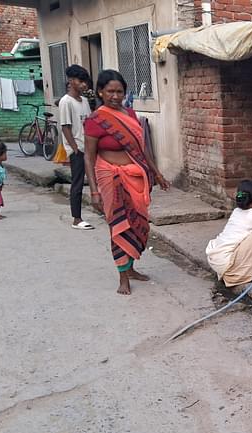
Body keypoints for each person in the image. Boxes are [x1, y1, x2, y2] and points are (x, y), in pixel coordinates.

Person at [84, 69, 170, 295]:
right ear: (100, 92)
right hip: (110, 177)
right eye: (110, 91)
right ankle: (123, 277)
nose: (115, 96)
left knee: (138, 223)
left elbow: (142, 149)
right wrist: (94, 191)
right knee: (119, 225)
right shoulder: (95, 120)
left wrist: (157, 173)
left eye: (119, 91)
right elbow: (89, 156)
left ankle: (130, 267)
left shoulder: (131, 115)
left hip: (135, 176)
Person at [59, 64, 93, 230]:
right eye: (81, 81)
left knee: (96, 179)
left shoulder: (85, 101)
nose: (84, 84)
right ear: (72, 81)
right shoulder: (66, 102)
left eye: (85, 81)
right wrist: (75, 147)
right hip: (77, 149)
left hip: (89, 147)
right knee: (78, 183)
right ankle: (76, 218)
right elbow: (65, 126)